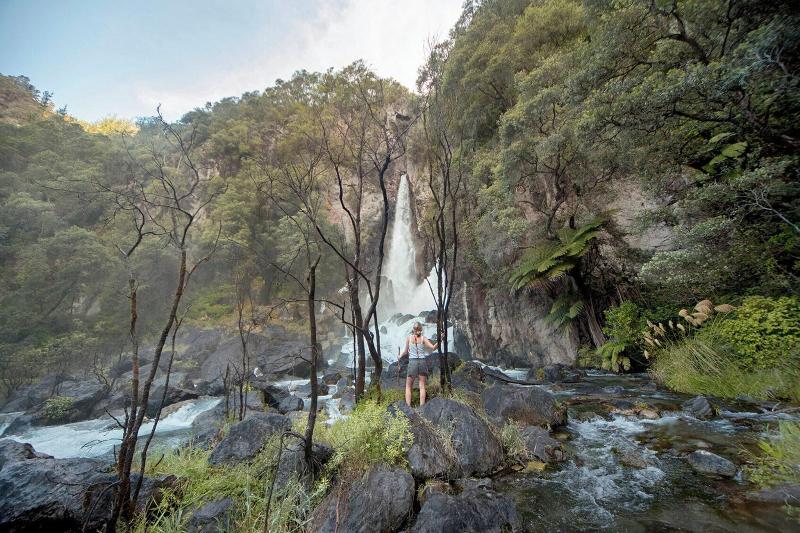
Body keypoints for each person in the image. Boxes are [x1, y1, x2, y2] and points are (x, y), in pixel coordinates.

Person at [400, 322, 437, 407]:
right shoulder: (424, 338)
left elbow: (405, 352)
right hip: (422, 362)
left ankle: (408, 407)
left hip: (412, 362)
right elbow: (433, 348)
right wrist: (440, 339)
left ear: (413, 329)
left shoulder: (409, 338)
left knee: (408, 386)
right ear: (421, 329)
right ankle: (422, 407)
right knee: (422, 386)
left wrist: (399, 356)